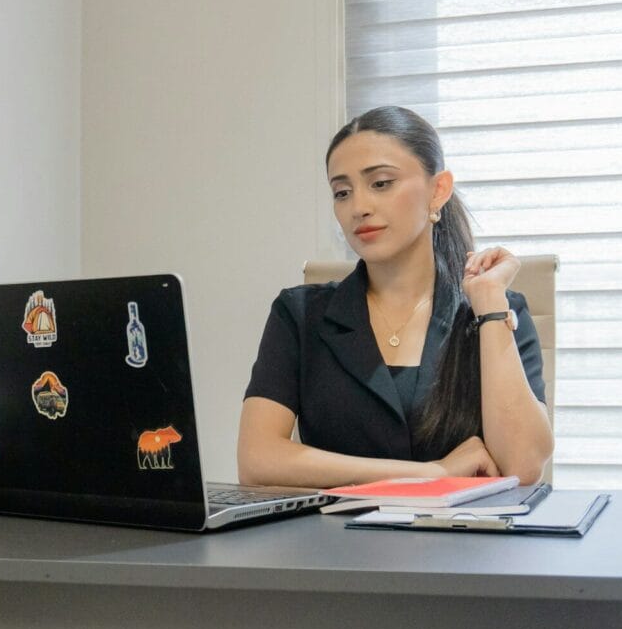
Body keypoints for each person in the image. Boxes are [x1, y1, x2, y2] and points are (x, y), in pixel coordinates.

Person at [237, 106, 553, 488]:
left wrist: (488, 305)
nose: (359, 207)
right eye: (342, 192)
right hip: (334, 543)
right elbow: (257, 460)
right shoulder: (300, 315)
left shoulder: (498, 311)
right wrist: (430, 474)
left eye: (381, 183)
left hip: (465, 543)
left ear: (438, 189)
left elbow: (523, 468)